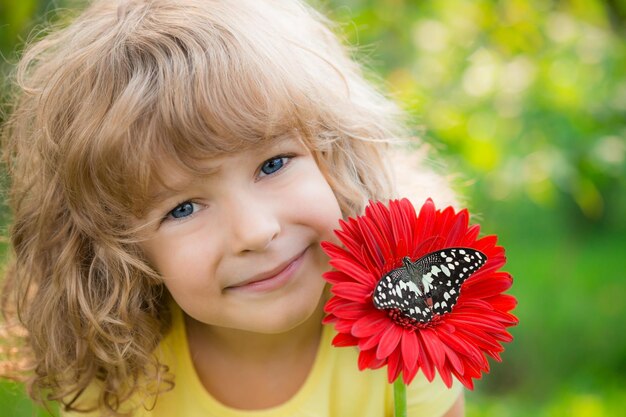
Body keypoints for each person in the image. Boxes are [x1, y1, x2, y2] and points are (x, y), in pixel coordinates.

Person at [0, 0, 463, 415]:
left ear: (334, 152)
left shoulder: (412, 323)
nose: (256, 231)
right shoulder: (119, 379)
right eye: (183, 208)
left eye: (273, 163)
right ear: (116, 255)